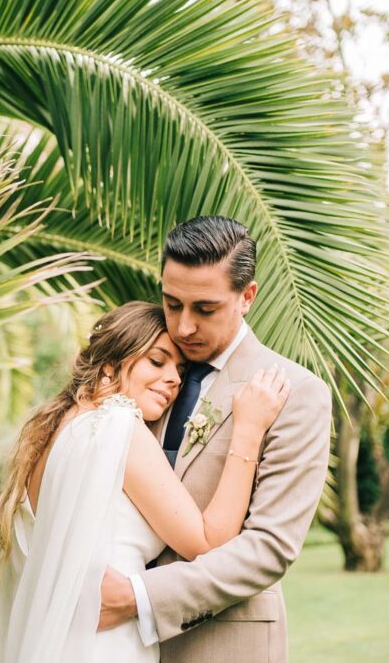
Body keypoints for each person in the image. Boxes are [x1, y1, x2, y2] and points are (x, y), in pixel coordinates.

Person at [0, 299, 289, 663]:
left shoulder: (51, 437)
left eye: (179, 369)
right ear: (109, 366)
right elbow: (208, 542)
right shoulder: (118, 425)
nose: (175, 379)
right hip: (105, 646)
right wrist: (248, 430)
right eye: (157, 361)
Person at [98, 216, 333, 663]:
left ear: (247, 297)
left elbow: (269, 547)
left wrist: (138, 596)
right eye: (171, 304)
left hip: (223, 644)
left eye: (204, 309)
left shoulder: (297, 394)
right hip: (113, 643)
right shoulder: (144, 369)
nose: (184, 327)